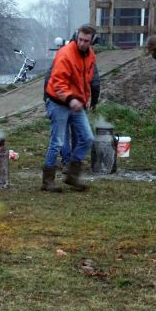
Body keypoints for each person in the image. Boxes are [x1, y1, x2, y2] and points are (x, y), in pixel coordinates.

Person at [42, 24, 96, 192]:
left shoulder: (91, 56)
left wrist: (85, 99)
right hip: (58, 102)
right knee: (57, 142)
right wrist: (71, 99)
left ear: (91, 41)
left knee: (87, 138)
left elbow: (86, 81)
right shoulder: (65, 54)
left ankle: (72, 176)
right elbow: (58, 82)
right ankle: (47, 181)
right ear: (76, 37)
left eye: (86, 41)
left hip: (76, 103)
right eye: (80, 39)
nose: (82, 43)